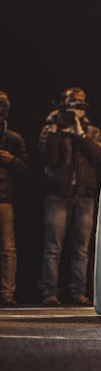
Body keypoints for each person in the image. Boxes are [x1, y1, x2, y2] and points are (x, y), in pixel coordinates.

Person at [38, 87, 101, 306]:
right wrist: (53, 132)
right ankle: (50, 293)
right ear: (63, 104)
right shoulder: (53, 128)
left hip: (84, 195)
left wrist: (81, 134)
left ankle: (78, 292)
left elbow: (99, 156)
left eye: (80, 104)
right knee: (53, 248)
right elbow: (47, 159)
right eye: (72, 104)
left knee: (81, 248)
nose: (75, 108)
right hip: (58, 194)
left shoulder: (92, 131)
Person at [0, 91, 29, 306]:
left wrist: (11, 161)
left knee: (7, 249)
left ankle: (6, 295)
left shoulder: (13, 139)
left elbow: (27, 171)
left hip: (4, 198)